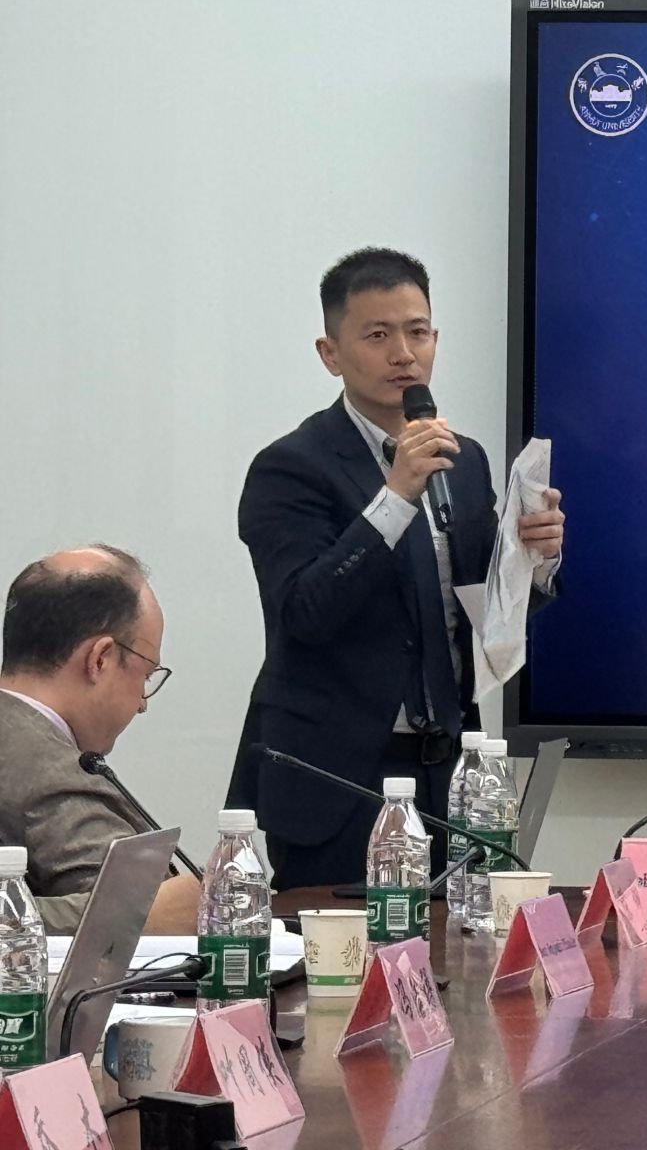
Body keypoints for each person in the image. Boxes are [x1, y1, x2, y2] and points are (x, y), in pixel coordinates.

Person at [229, 248, 565, 890]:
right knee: (344, 950)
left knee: (459, 943)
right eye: (378, 336)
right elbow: (304, 613)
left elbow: (478, 606)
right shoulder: (290, 467)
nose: (403, 354)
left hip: (450, 767)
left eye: (417, 332)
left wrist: (535, 559)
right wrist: (396, 495)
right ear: (331, 353)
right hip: (338, 779)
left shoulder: (463, 460)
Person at [0, 547, 200, 935]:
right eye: (146, 675)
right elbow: (152, 904)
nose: (142, 703)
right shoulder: (45, 771)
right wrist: (137, 917)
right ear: (101, 659)